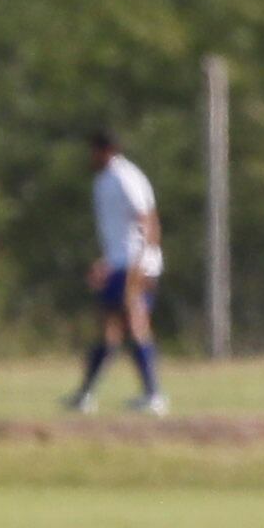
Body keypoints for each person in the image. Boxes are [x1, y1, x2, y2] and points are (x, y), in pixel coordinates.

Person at [64, 130, 163, 416]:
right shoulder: (103, 180)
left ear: (104, 150)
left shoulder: (125, 177)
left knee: (135, 323)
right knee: (110, 329)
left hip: (135, 264)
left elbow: (148, 221)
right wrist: (105, 262)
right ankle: (85, 395)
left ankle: (153, 395)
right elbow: (119, 233)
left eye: (93, 151)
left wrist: (141, 265)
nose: (90, 157)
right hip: (119, 263)